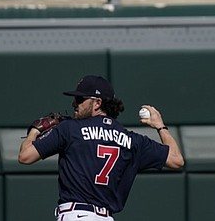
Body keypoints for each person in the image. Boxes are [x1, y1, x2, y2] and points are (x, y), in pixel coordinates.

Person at [18, 75, 184, 220]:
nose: (75, 103)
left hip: (75, 215)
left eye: (80, 99)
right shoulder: (133, 141)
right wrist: (160, 126)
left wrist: (34, 132)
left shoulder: (70, 129)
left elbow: (25, 157)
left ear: (97, 103)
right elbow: (177, 160)